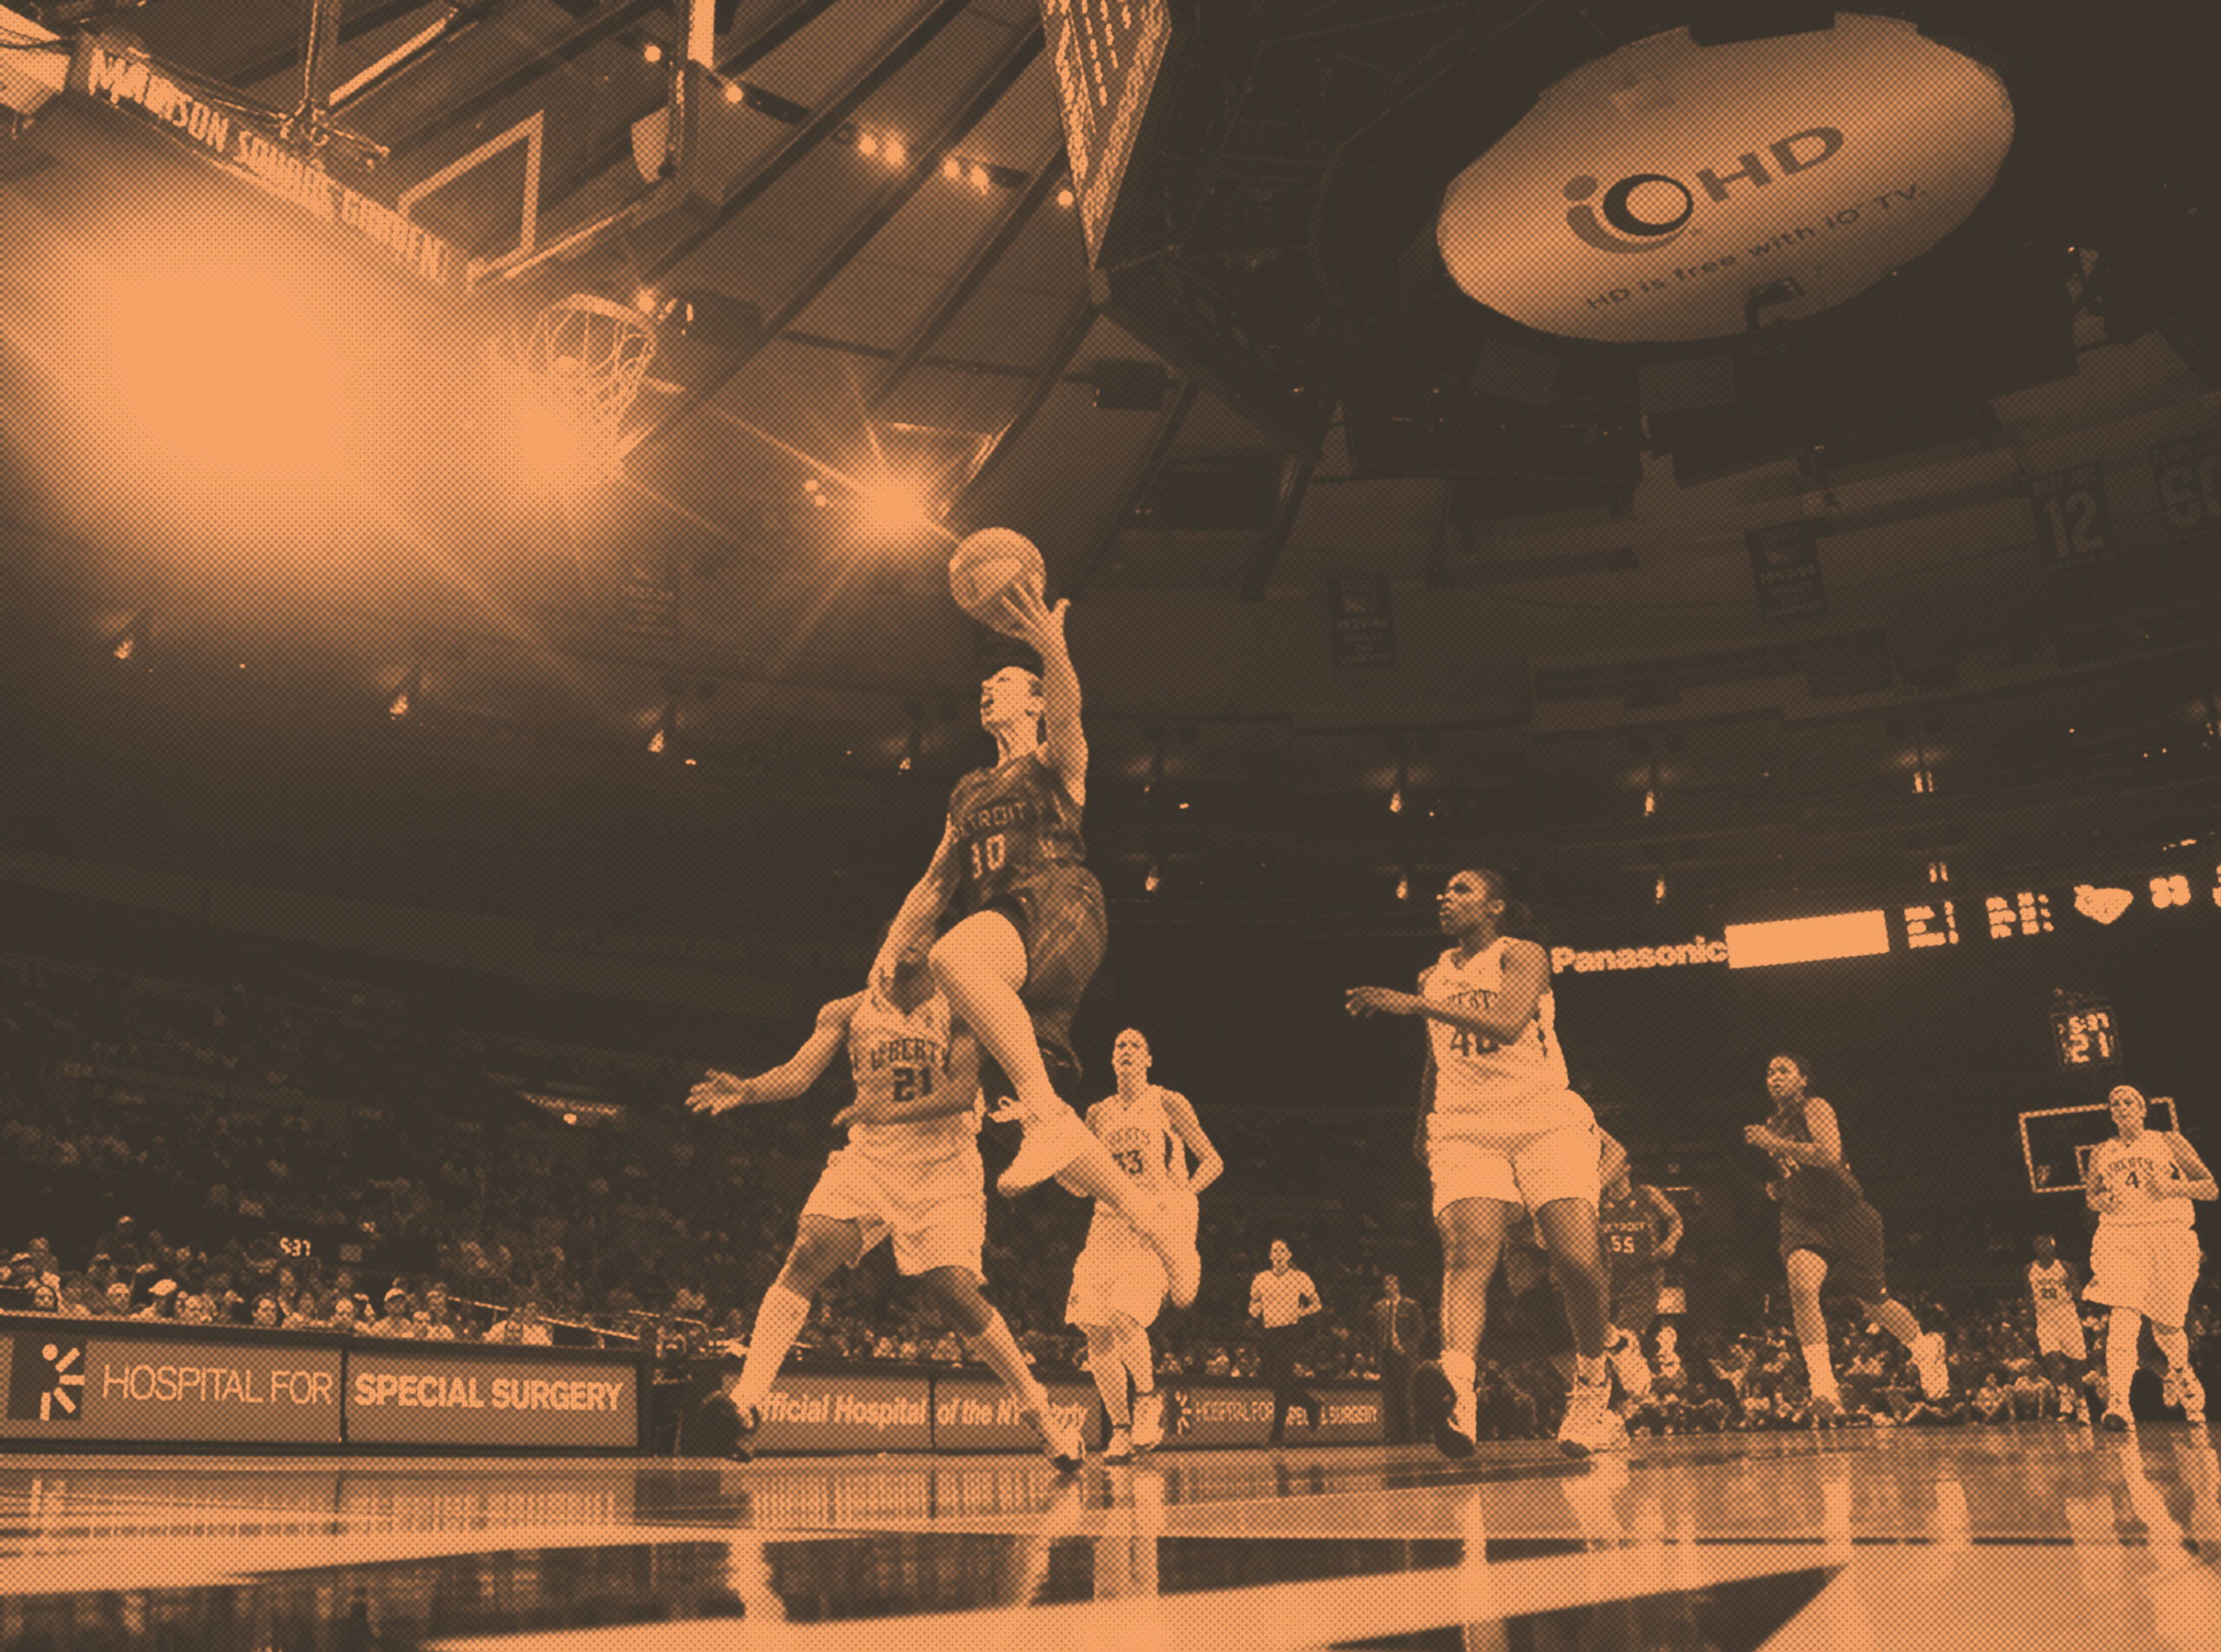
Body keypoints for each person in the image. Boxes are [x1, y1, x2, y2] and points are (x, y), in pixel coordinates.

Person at [868, 580, 1198, 1308]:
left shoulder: (1055, 763)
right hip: (1010, 950)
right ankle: (1153, 1220)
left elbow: (1075, 711)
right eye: (985, 682)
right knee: (1018, 1108)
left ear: (1037, 702)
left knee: (954, 959)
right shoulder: (966, 791)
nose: (989, 688)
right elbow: (932, 884)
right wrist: (889, 948)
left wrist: (1053, 649)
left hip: (1059, 902)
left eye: (1008, 681)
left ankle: (1047, 1114)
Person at [687, 935, 1086, 1471]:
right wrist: (749, 1090)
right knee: (807, 1252)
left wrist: (878, 1112)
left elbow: (960, 1092)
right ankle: (748, 1405)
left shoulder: (962, 1005)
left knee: (955, 1294)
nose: (911, 943)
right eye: (902, 935)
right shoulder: (847, 1010)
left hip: (943, 1166)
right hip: (871, 1161)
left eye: (924, 935)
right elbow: (800, 1073)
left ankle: (1040, 1412)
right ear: (883, 949)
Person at [1346, 867, 1622, 1458]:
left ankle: (1594, 1386)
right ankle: (1457, 1391)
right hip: (1465, 1123)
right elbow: (1434, 1059)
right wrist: (1423, 1126)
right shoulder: (1432, 973)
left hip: (1542, 1113)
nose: (1445, 897)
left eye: (1461, 890)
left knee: (1575, 1256)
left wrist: (1415, 1004)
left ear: (1495, 906)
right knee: (1468, 1252)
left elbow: (1508, 1022)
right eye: (1443, 891)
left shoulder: (1522, 955)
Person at [1742, 1052, 1950, 1422]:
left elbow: (1828, 1155)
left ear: (1804, 1079)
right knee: (1802, 1286)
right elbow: (1797, 1173)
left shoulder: (1816, 1107)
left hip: (1849, 1215)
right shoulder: (1773, 1123)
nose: (1774, 1077)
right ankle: (1823, 1385)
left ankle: (1924, 1347)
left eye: (1783, 1070)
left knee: (1875, 1305)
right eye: (1769, 1071)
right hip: (1804, 1219)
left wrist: (1773, 1143)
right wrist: (1780, 1187)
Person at [1063, 1028, 1221, 1463]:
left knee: (1123, 1317)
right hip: (1105, 1227)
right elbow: (1083, 1186)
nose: (1125, 1050)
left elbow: (1213, 1160)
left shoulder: (1169, 1102)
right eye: (1118, 1045)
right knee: (1095, 1330)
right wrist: (1056, 1166)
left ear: (1149, 1059)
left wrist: (1184, 1194)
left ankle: (1148, 1398)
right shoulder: (1097, 1113)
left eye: (1134, 1045)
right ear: (1112, 1060)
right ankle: (1119, 1429)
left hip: (1152, 1224)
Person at [2084, 1085, 2213, 1430]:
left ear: (2142, 1109)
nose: (2122, 1106)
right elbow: (2091, 1196)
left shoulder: (2169, 1141)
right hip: (2120, 1236)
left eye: (2129, 1101)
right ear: (2111, 1113)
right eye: (2115, 1103)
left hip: (2169, 1236)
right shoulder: (2101, 1151)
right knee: (2124, 1313)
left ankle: (2182, 1372)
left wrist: (2172, 1188)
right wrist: (2103, 1201)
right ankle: (2119, 1405)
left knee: (2166, 1327)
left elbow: (2211, 1187)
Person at [1598, 1163, 1682, 1400]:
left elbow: (1676, 1220)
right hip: (1610, 1276)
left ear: (1626, 1168)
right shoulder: (1596, 1198)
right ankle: (1657, 1350)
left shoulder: (1647, 1194)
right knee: (1604, 1341)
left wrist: (1671, 1241)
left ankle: (1636, 1390)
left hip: (1645, 1274)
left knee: (1626, 1338)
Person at [1248, 1239, 1322, 1446]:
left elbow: (1317, 1303)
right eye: (1274, 1250)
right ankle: (1311, 1403)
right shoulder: (1262, 1279)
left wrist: (1302, 1312)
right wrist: (1255, 1311)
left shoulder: (1300, 1278)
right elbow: (1253, 1304)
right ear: (1270, 1255)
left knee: (1282, 1382)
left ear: (1289, 1255)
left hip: (1290, 1332)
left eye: (1282, 1250)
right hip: (1269, 1332)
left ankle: (1276, 1437)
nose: (1278, 1253)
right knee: (1276, 1382)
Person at [2026, 1234, 2093, 1422]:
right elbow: (2028, 1294)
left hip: (2066, 1317)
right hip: (2045, 1319)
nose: (2042, 1247)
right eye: (2038, 1244)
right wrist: (2029, 1316)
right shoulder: (2029, 1270)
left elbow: (2079, 1294)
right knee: (2051, 1357)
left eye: (2045, 1243)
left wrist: (2072, 1286)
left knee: (2075, 1365)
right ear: (2035, 1248)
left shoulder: (2065, 1267)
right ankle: (2064, 1394)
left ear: (2053, 1246)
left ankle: (2081, 1404)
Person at [1371, 1275, 1426, 1445]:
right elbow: (1376, 1334)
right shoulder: (1379, 1307)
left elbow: (1421, 1330)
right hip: (1386, 1356)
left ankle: (1410, 1436)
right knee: (1390, 1397)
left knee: (1407, 1395)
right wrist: (1377, 1355)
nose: (1389, 1287)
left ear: (1398, 1286)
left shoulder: (1410, 1305)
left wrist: (1406, 1347)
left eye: (1392, 1284)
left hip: (1405, 1357)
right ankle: (1391, 1435)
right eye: (1386, 1284)